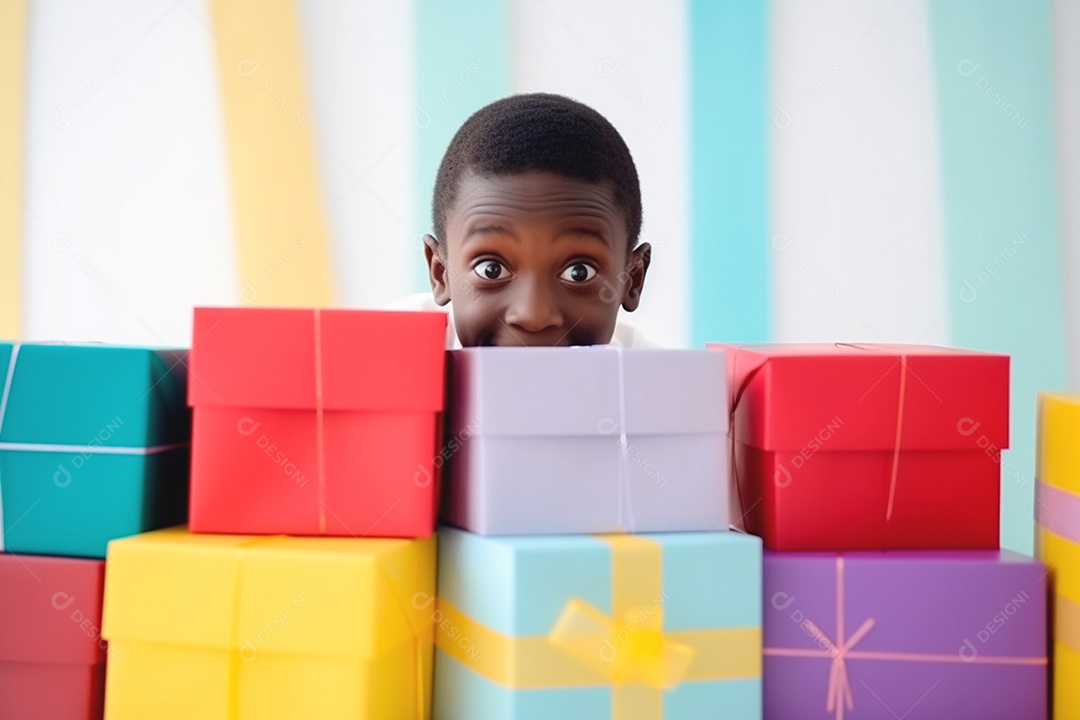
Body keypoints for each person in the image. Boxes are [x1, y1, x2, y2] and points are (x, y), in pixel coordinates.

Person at [392, 92, 655, 348]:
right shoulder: (390, 356)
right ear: (441, 274)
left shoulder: (655, 385)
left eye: (579, 273)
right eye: (491, 269)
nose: (533, 316)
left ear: (632, 279)